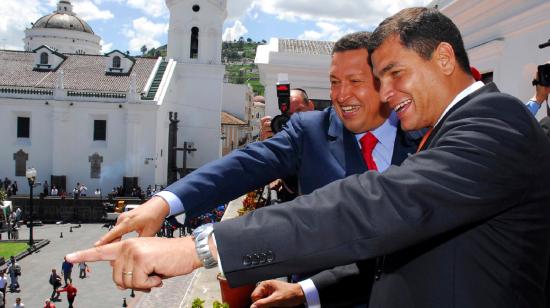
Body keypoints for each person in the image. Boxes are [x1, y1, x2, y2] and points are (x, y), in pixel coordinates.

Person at [67, 7, 550, 307]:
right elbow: (393, 247)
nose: (384, 92)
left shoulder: (496, 121)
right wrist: (307, 291)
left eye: (392, 74)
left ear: (444, 58)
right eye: (376, 78)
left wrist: (197, 247)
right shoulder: (448, 127)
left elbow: (376, 206)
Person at [68, 31, 421, 306]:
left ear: (384, 81)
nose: (341, 95)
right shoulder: (310, 130)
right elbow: (243, 166)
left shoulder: (425, 133)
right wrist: (162, 203)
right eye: (333, 82)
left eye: (355, 81)